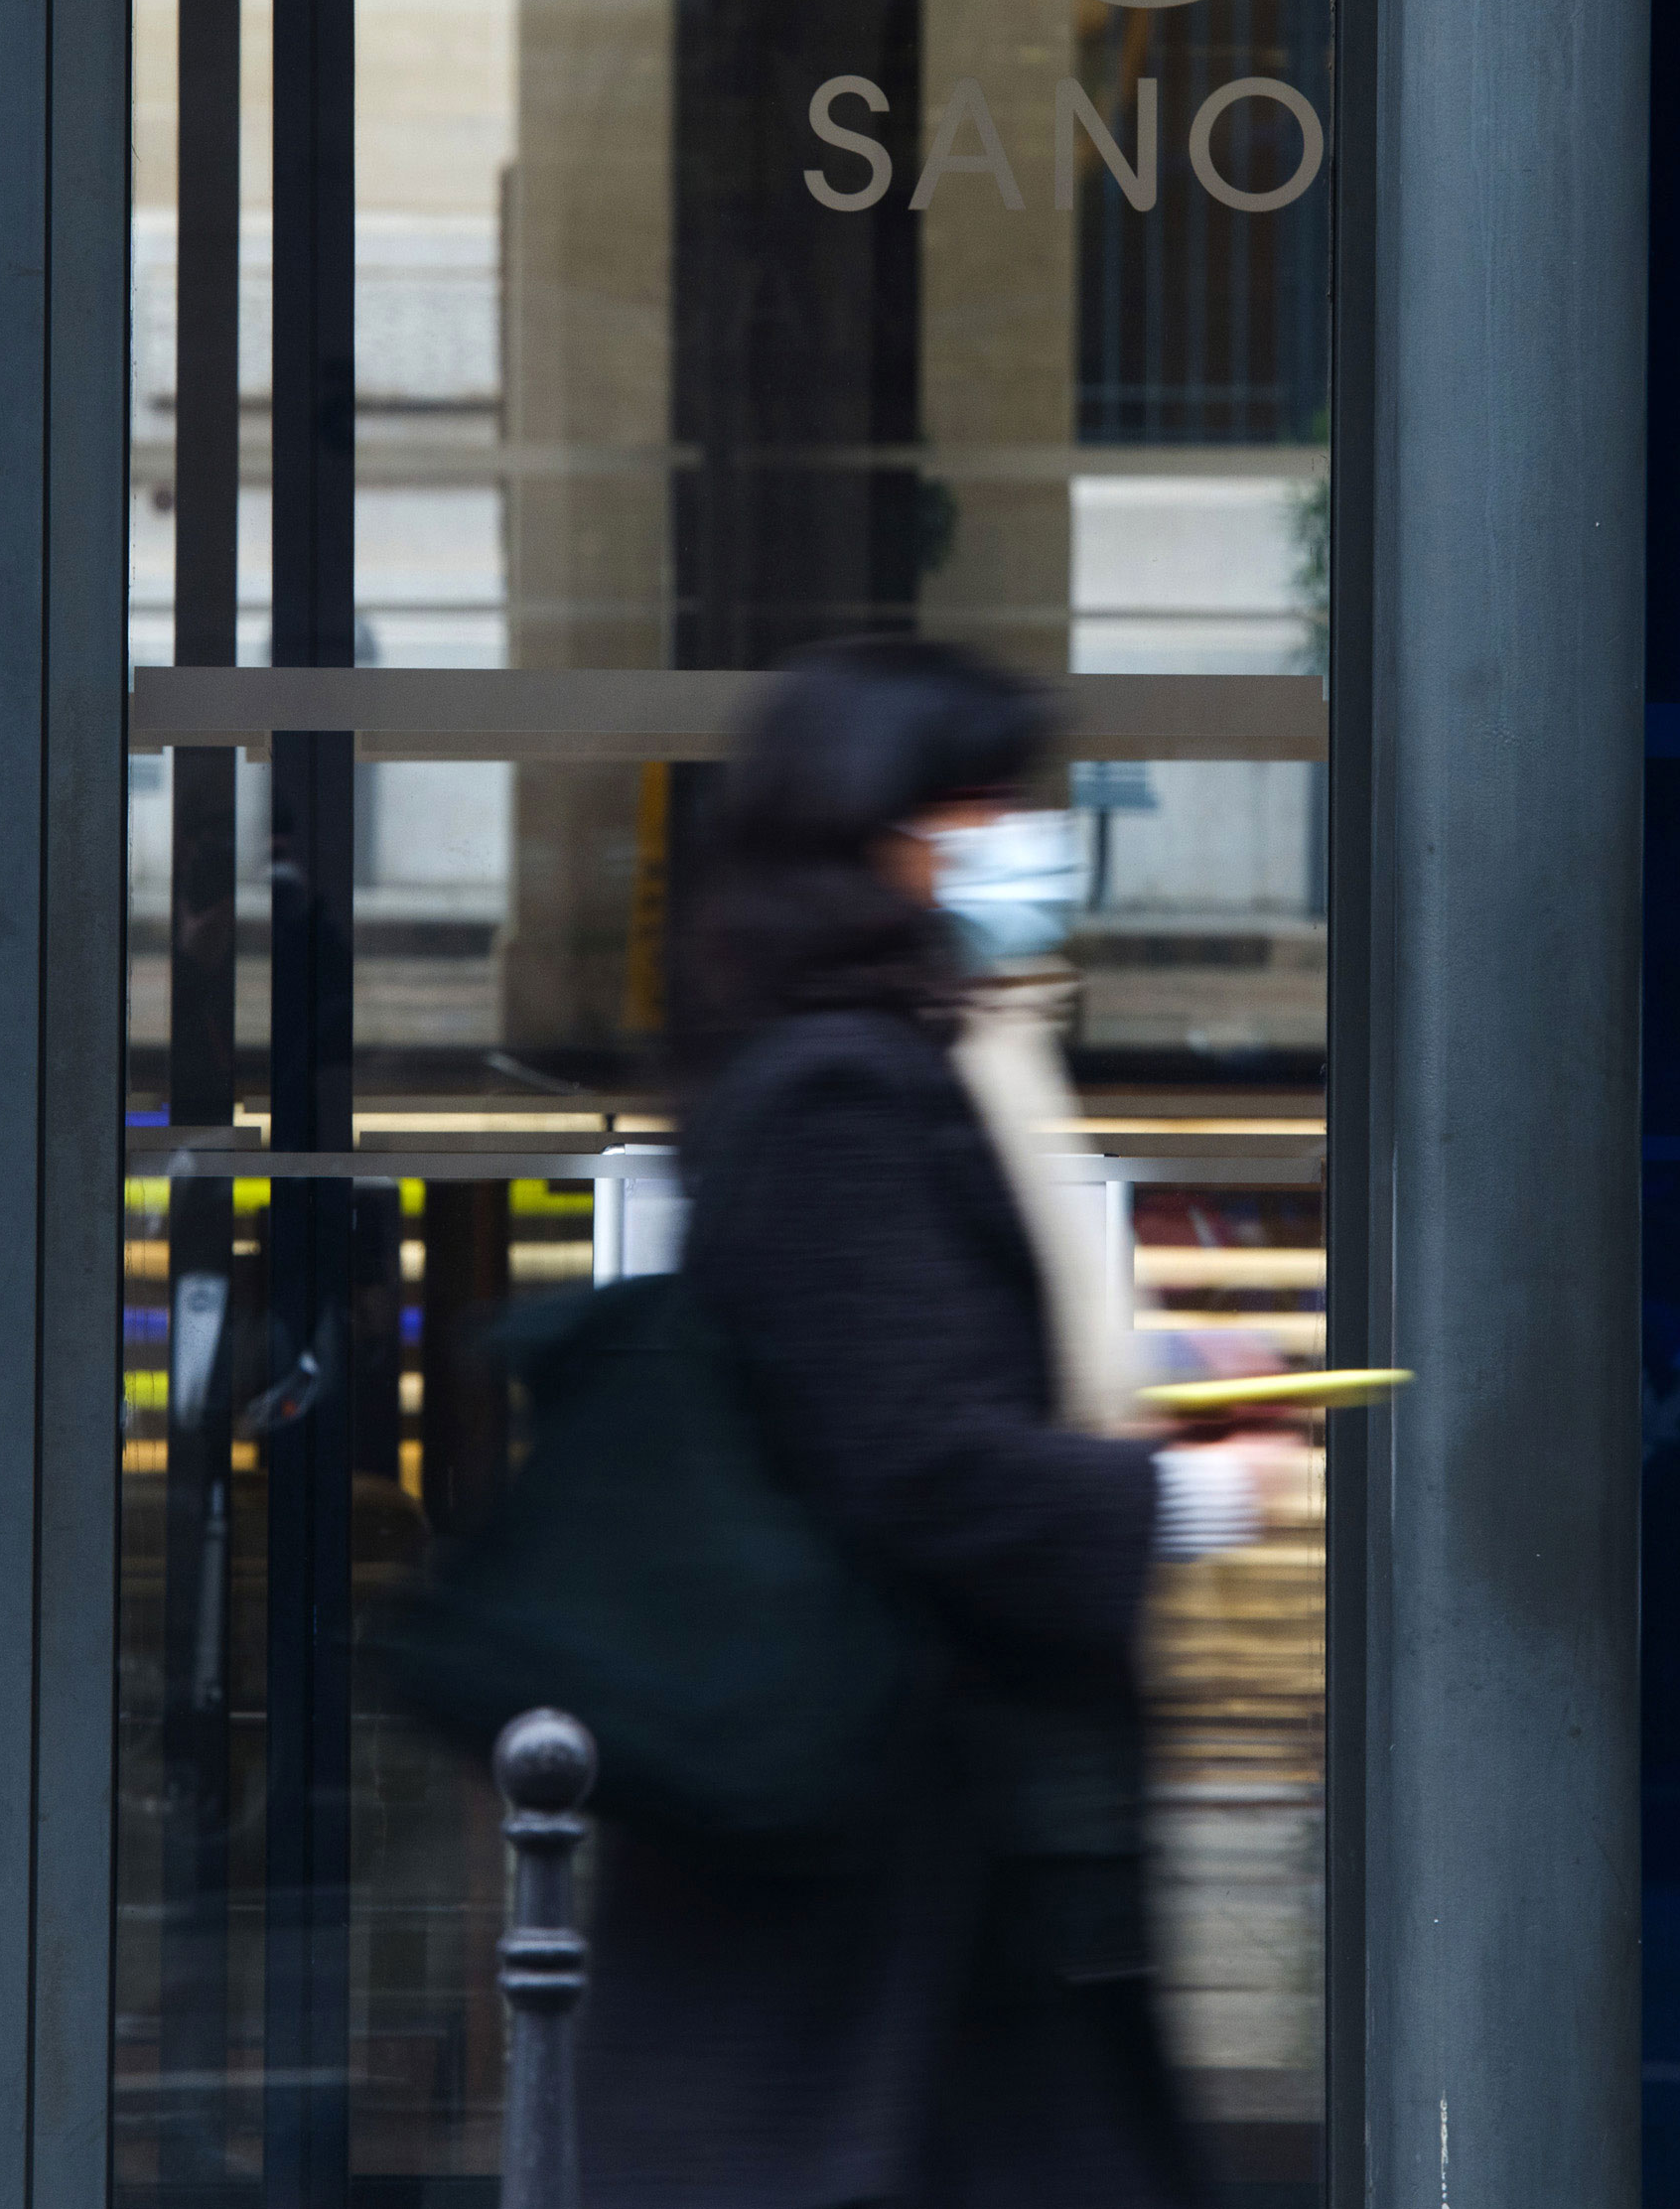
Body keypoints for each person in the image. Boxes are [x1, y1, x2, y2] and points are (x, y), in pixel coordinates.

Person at [579, 637, 1290, 2209]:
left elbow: (920, 1368)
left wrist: (1148, 1372)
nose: (1025, 835)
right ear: (865, 839)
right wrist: (1194, 1502)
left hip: (965, 1854)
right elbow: (915, 1459)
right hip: (897, 1856)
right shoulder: (837, 1092)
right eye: (978, 803)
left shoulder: (891, 1066)